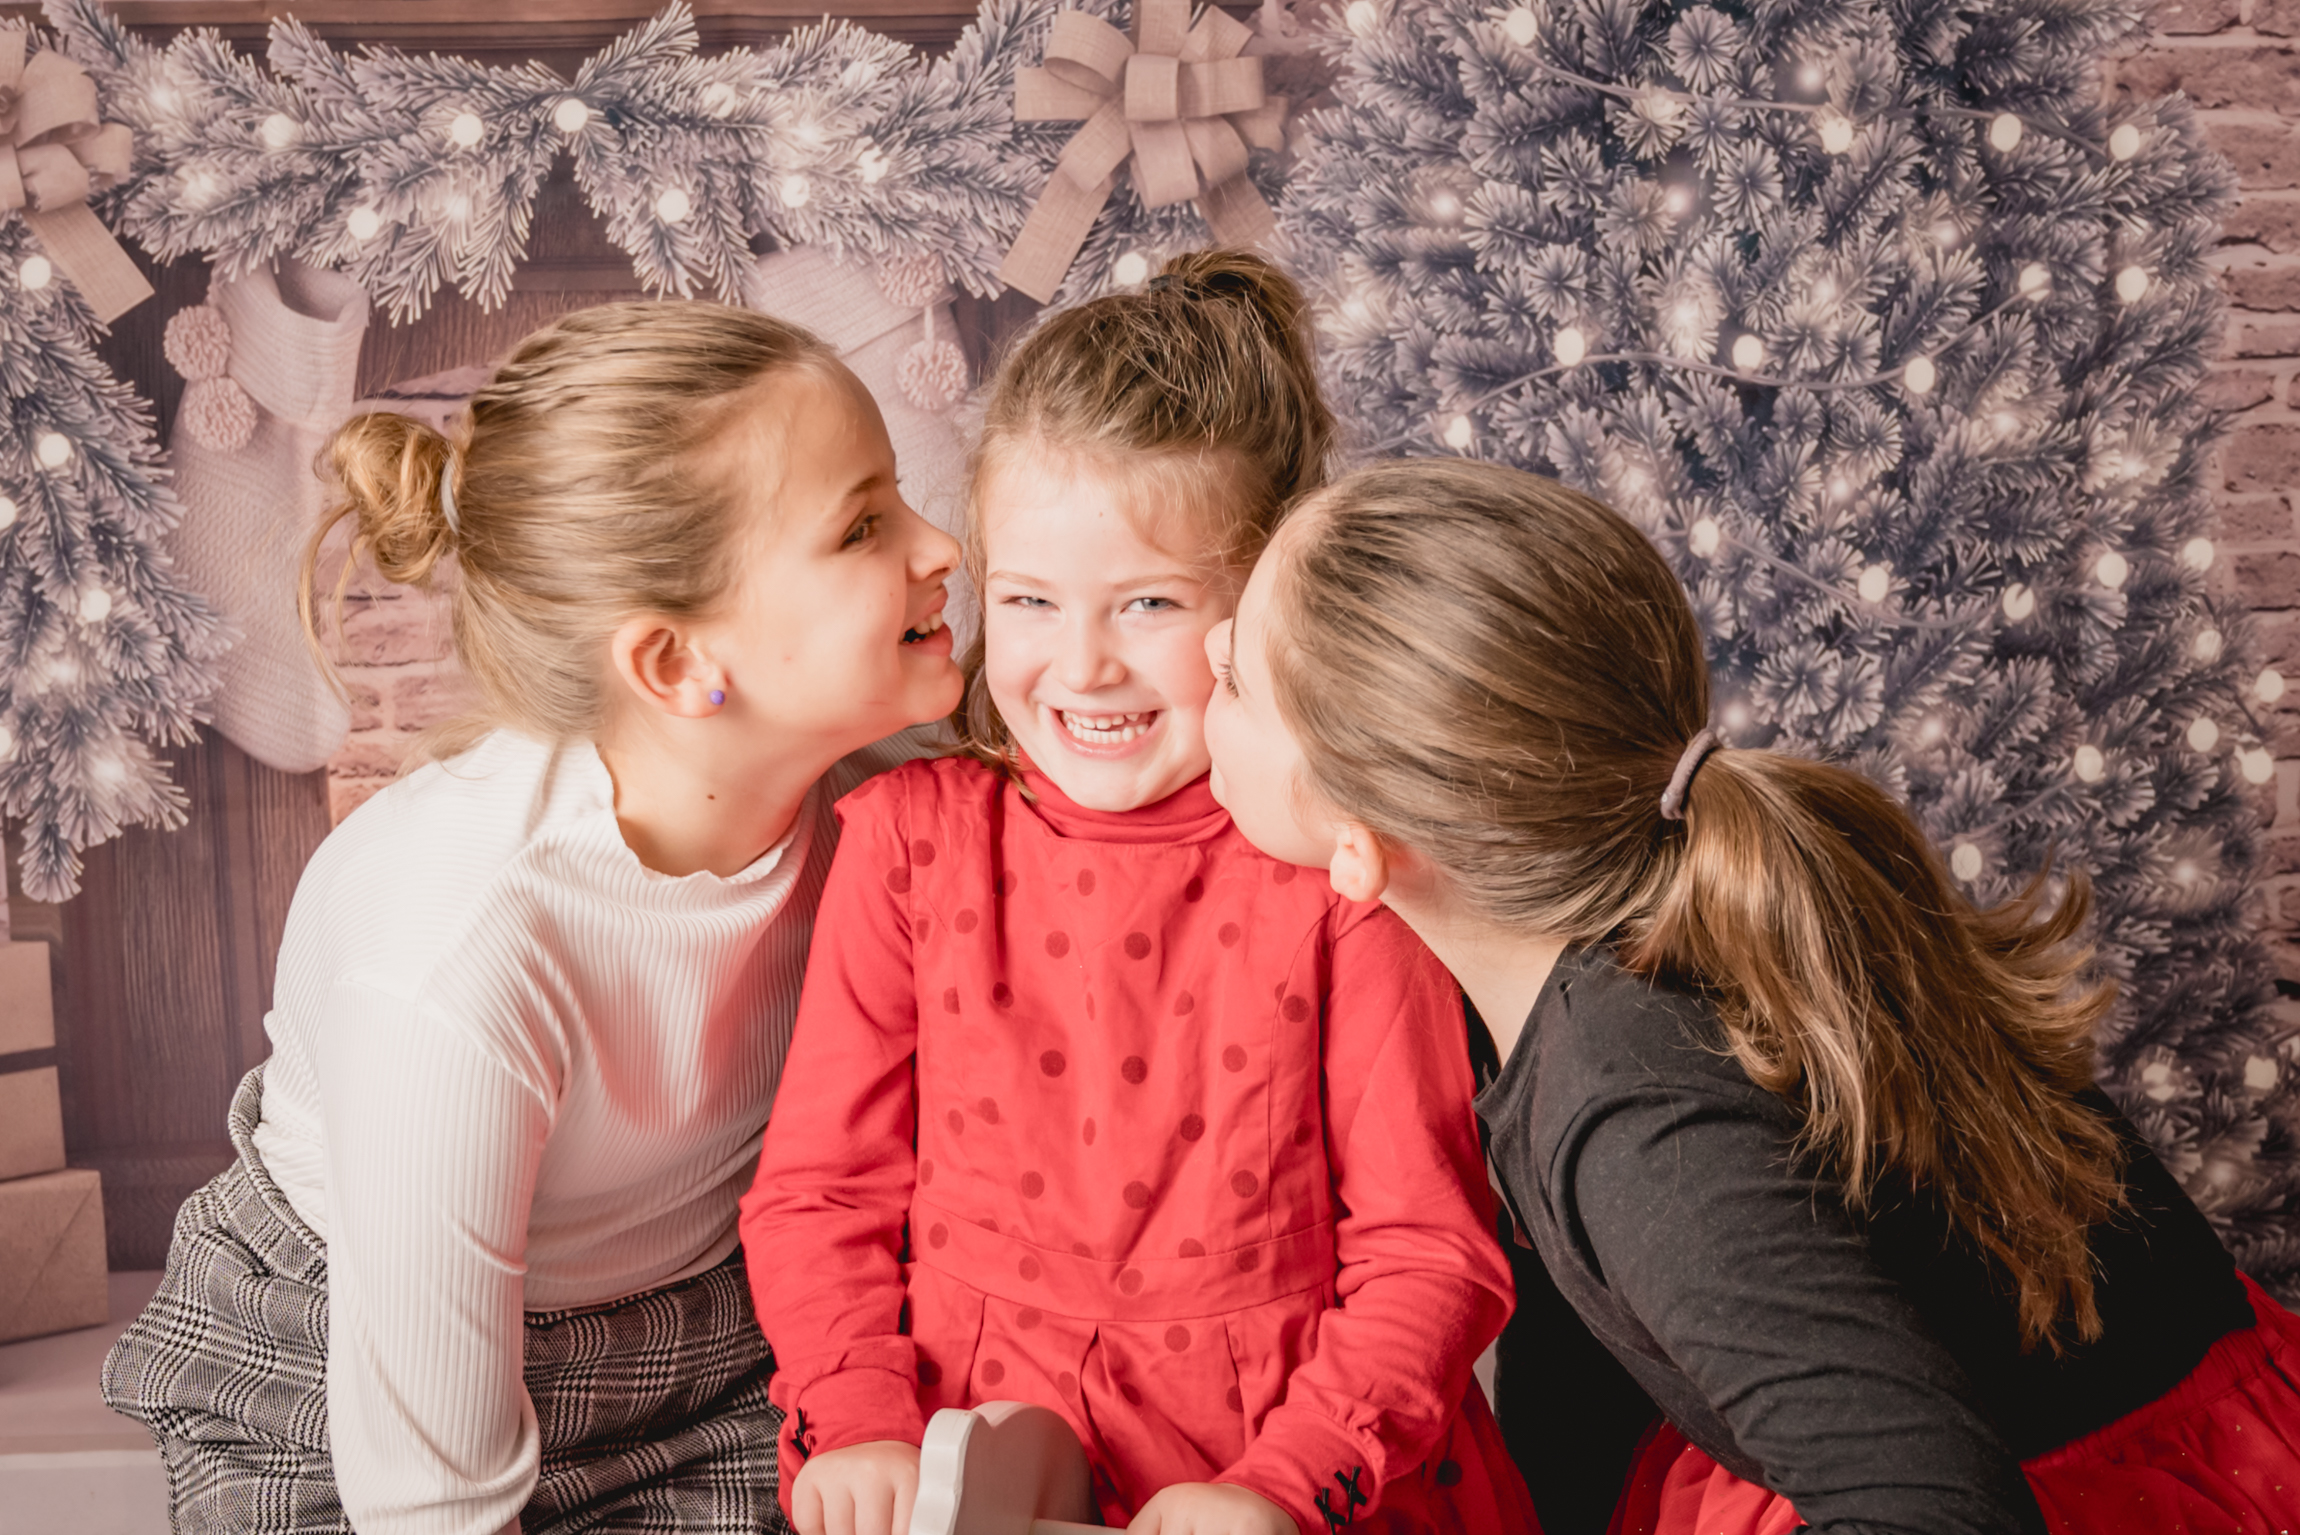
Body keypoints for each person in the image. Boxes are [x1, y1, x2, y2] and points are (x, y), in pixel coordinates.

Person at [1199, 456, 2300, 1535]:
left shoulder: (1642, 1116)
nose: (1206, 648)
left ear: (1359, 842)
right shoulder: (1592, 915)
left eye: (1236, 674)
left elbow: (1934, 1511)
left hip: (2099, 1486)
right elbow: (1605, 1327)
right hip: (1957, 1413)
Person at [101, 301, 967, 1535]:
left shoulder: (893, 805)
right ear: (674, 666)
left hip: (712, 1333)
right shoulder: (460, 954)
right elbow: (430, 1501)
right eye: (864, 525)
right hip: (355, 1373)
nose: (941, 547)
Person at [739, 252, 1537, 1535]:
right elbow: (821, 1193)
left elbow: (1426, 1248)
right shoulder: (906, 846)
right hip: (974, 1465)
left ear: (1260, 605)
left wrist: (1282, 1487)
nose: (1082, 662)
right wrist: (858, 1416)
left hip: (1285, 1468)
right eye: (1030, 601)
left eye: (1149, 601)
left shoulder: (1337, 870)